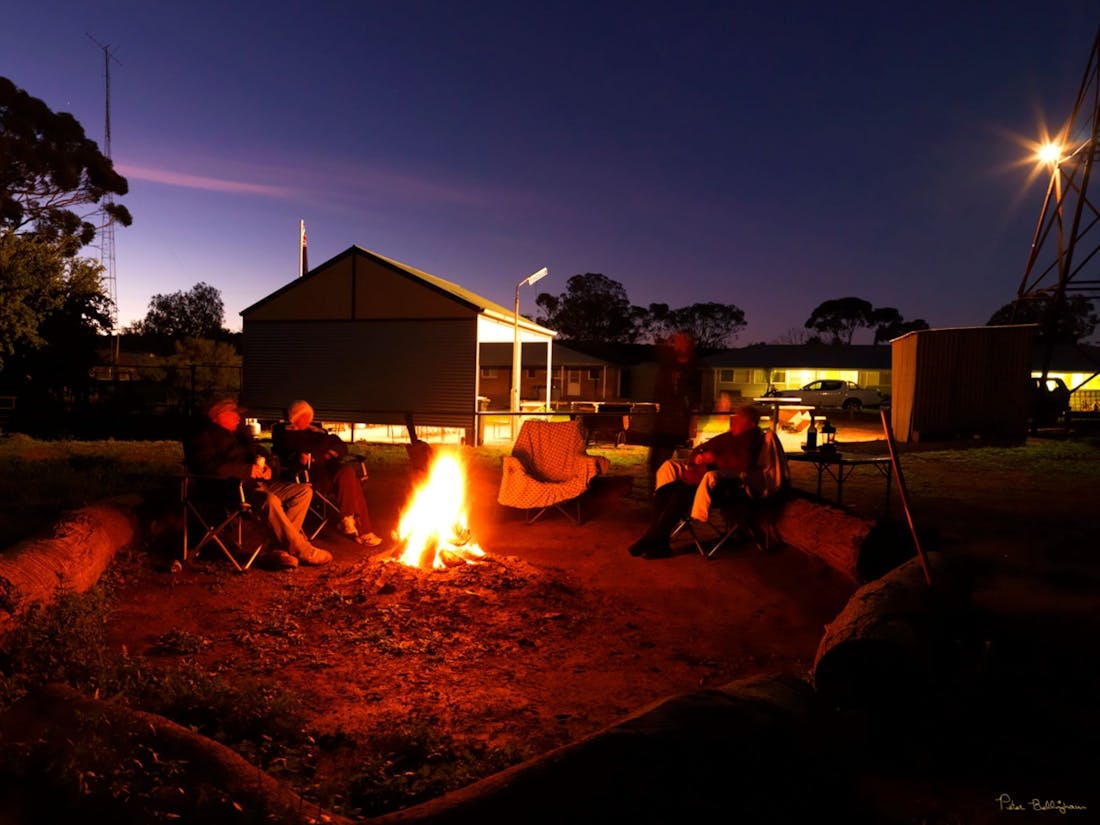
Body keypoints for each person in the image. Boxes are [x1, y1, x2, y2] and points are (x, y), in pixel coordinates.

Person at [185, 398, 333, 569]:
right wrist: (245, 470)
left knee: (303, 491)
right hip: (230, 488)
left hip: (256, 483)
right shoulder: (204, 437)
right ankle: (302, 550)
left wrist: (268, 467)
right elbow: (206, 467)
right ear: (219, 416)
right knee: (269, 500)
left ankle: (280, 550)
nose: (239, 418)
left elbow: (260, 451)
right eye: (234, 414)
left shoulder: (240, 436)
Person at [628, 404, 765, 559]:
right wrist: (699, 456)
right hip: (698, 480)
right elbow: (701, 448)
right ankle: (659, 542)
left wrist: (715, 459)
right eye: (735, 418)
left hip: (721, 487)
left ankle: (651, 540)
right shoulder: (729, 436)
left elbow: (743, 464)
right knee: (663, 492)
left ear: (751, 424)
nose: (734, 421)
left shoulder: (751, 440)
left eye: (739, 419)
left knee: (678, 496)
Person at [272, 400, 383, 547]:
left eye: (308, 416)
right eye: (302, 416)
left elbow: (341, 446)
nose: (306, 420)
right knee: (353, 483)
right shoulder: (285, 434)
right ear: (294, 418)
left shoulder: (318, 432)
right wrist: (298, 456)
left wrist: (330, 454)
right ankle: (363, 531)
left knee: (348, 471)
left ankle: (348, 519)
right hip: (308, 475)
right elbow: (283, 452)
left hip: (331, 470)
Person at [648, 331, 703, 486]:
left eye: (681, 341)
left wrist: (693, 421)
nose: (676, 344)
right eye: (675, 341)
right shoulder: (667, 366)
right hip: (663, 422)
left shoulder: (694, 369)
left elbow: (696, 398)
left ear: (688, 345)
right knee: (656, 462)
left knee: (682, 462)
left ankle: (676, 491)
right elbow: (658, 392)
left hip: (680, 423)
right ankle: (657, 490)